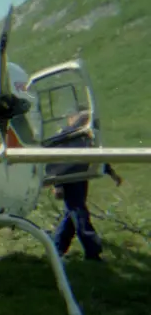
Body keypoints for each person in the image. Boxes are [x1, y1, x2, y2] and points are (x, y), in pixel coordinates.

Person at [48, 112, 122, 261]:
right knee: (80, 214)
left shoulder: (86, 137)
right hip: (68, 180)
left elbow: (97, 157)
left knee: (72, 215)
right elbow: (55, 161)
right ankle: (93, 252)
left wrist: (112, 173)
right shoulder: (65, 137)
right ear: (72, 119)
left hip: (81, 179)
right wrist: (58, 184)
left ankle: (57, 250)